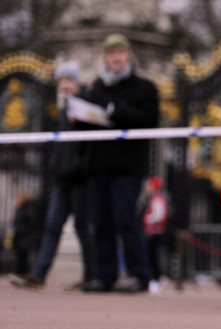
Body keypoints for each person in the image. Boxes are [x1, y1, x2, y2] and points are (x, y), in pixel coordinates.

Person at [80, 33, 159, 293]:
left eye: (119, 53)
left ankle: (139, 275)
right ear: (105, 57)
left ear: (128, 56)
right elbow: (89, 122)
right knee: (101, 222)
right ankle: (105, 276)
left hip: (128, 166)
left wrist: (118, 110)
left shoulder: (144, 87)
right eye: (111, 53)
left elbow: (150, 119)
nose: (115, 57)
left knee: (126, 219)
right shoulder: (96, 87)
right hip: (98, 164)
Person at [9, 61, 95, 291]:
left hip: (80, 178)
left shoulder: (86, 104)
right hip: (64, 178)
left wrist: (82, 125)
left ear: (76, 82)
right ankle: (39, 274)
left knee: (82, 228)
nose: (64, 86)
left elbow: (93, 141)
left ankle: (91, 275)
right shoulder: (64, 107)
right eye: (61, 82)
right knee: (52, 224)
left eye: (68, 81)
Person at [141, 176, 170, 293]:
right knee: (152, 256)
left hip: (155, 232)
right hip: (153, 231)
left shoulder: (157, 199)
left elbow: (158, 215)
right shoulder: (154, 198)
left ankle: (156, 278)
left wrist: (147, 219)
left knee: (154, 256)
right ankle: (155, 277)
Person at [5, 193, 42, 276]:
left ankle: (25, 274)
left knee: (24, 258)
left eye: (19, 199)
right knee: (20, 258)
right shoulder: (19, 210)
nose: (17, 201)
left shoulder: (29, 209)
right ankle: (20, 274)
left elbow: (33, 223)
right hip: (19, 238)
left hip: (25, 238)